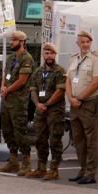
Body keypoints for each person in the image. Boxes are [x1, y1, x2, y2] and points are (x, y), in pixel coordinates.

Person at [66, 30, 98, 184]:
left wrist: (80, 98)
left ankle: (91, 173)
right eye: (82, 42)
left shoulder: (96, 58)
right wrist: (71, 98)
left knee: (91, 138)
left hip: (89, 102)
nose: (85, 45)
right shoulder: (73, 59)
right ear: (78, 43)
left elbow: (96, 81)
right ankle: (82, 169)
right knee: (78, 139)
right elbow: (68, 80)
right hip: (75, 103)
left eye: (87, 42)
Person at [0, 31, 34, 174]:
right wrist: (2, 86)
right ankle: (13, 161)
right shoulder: (11, 57)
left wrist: (7, 90)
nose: (11, 42)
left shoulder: (27, 58)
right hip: (7, 101)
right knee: (7, 131)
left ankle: (26, 161)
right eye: (11, 40)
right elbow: (5, 75)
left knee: (20, 132)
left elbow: (22, 80)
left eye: (14, 40)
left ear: (22, 41)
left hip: (18, 101)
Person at [30, 42, 67, 179]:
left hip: (55, 110)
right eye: (47, 53)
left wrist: (47, 103)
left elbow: (60, 90)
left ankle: (54, 169)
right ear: (43, 55)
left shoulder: (59, 71)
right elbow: (33, 89)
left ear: (55, 55)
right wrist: (37, 104)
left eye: (51, 53)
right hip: (40, 109)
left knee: (55, 140)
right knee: (40, 138)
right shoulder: (38, 72)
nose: (49, 56)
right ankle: (41, 167)